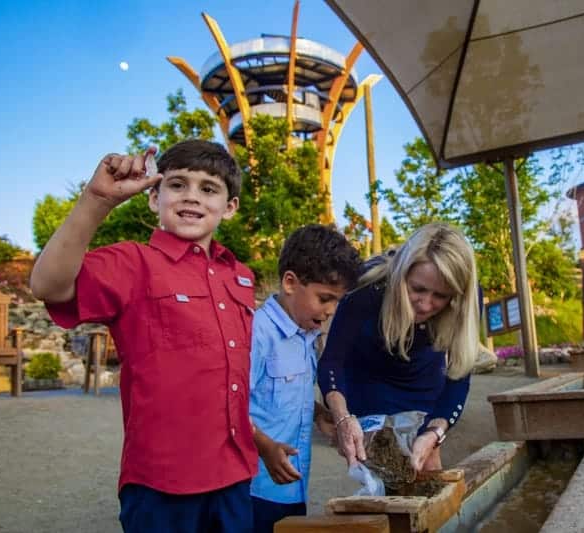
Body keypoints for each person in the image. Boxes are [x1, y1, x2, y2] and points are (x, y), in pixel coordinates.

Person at [30, 140, 258, 533]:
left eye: (208, 188)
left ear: (230, 207)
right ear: (154, 197)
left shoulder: (240, 275)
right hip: (160, 482)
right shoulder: (132, 263)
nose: (192, 197)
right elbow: (47, 285)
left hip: (235, 476)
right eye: (178, 185)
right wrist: (97, 200)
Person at [317, 223, 480, 473]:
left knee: (426, 463)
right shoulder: (367, 285)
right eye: (418, 289)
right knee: (382, 466)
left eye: (441, 296)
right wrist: (342, 417)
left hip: (422, 378)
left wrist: (434, 433)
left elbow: (459, 376)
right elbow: (332, 361)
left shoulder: (467, 298)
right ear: (402, 275)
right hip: (367, 377)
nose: (425, 305)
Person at [249, 224, 361, 532]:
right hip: (256, 486)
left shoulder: (306, 336)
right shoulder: (257, 334)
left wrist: (319, 413)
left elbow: (281, 391)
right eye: (324, 298)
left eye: (337, 301)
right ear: (290, 282)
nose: (330, 310)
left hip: (293, 484)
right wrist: (264, 446)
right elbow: (227, 405)